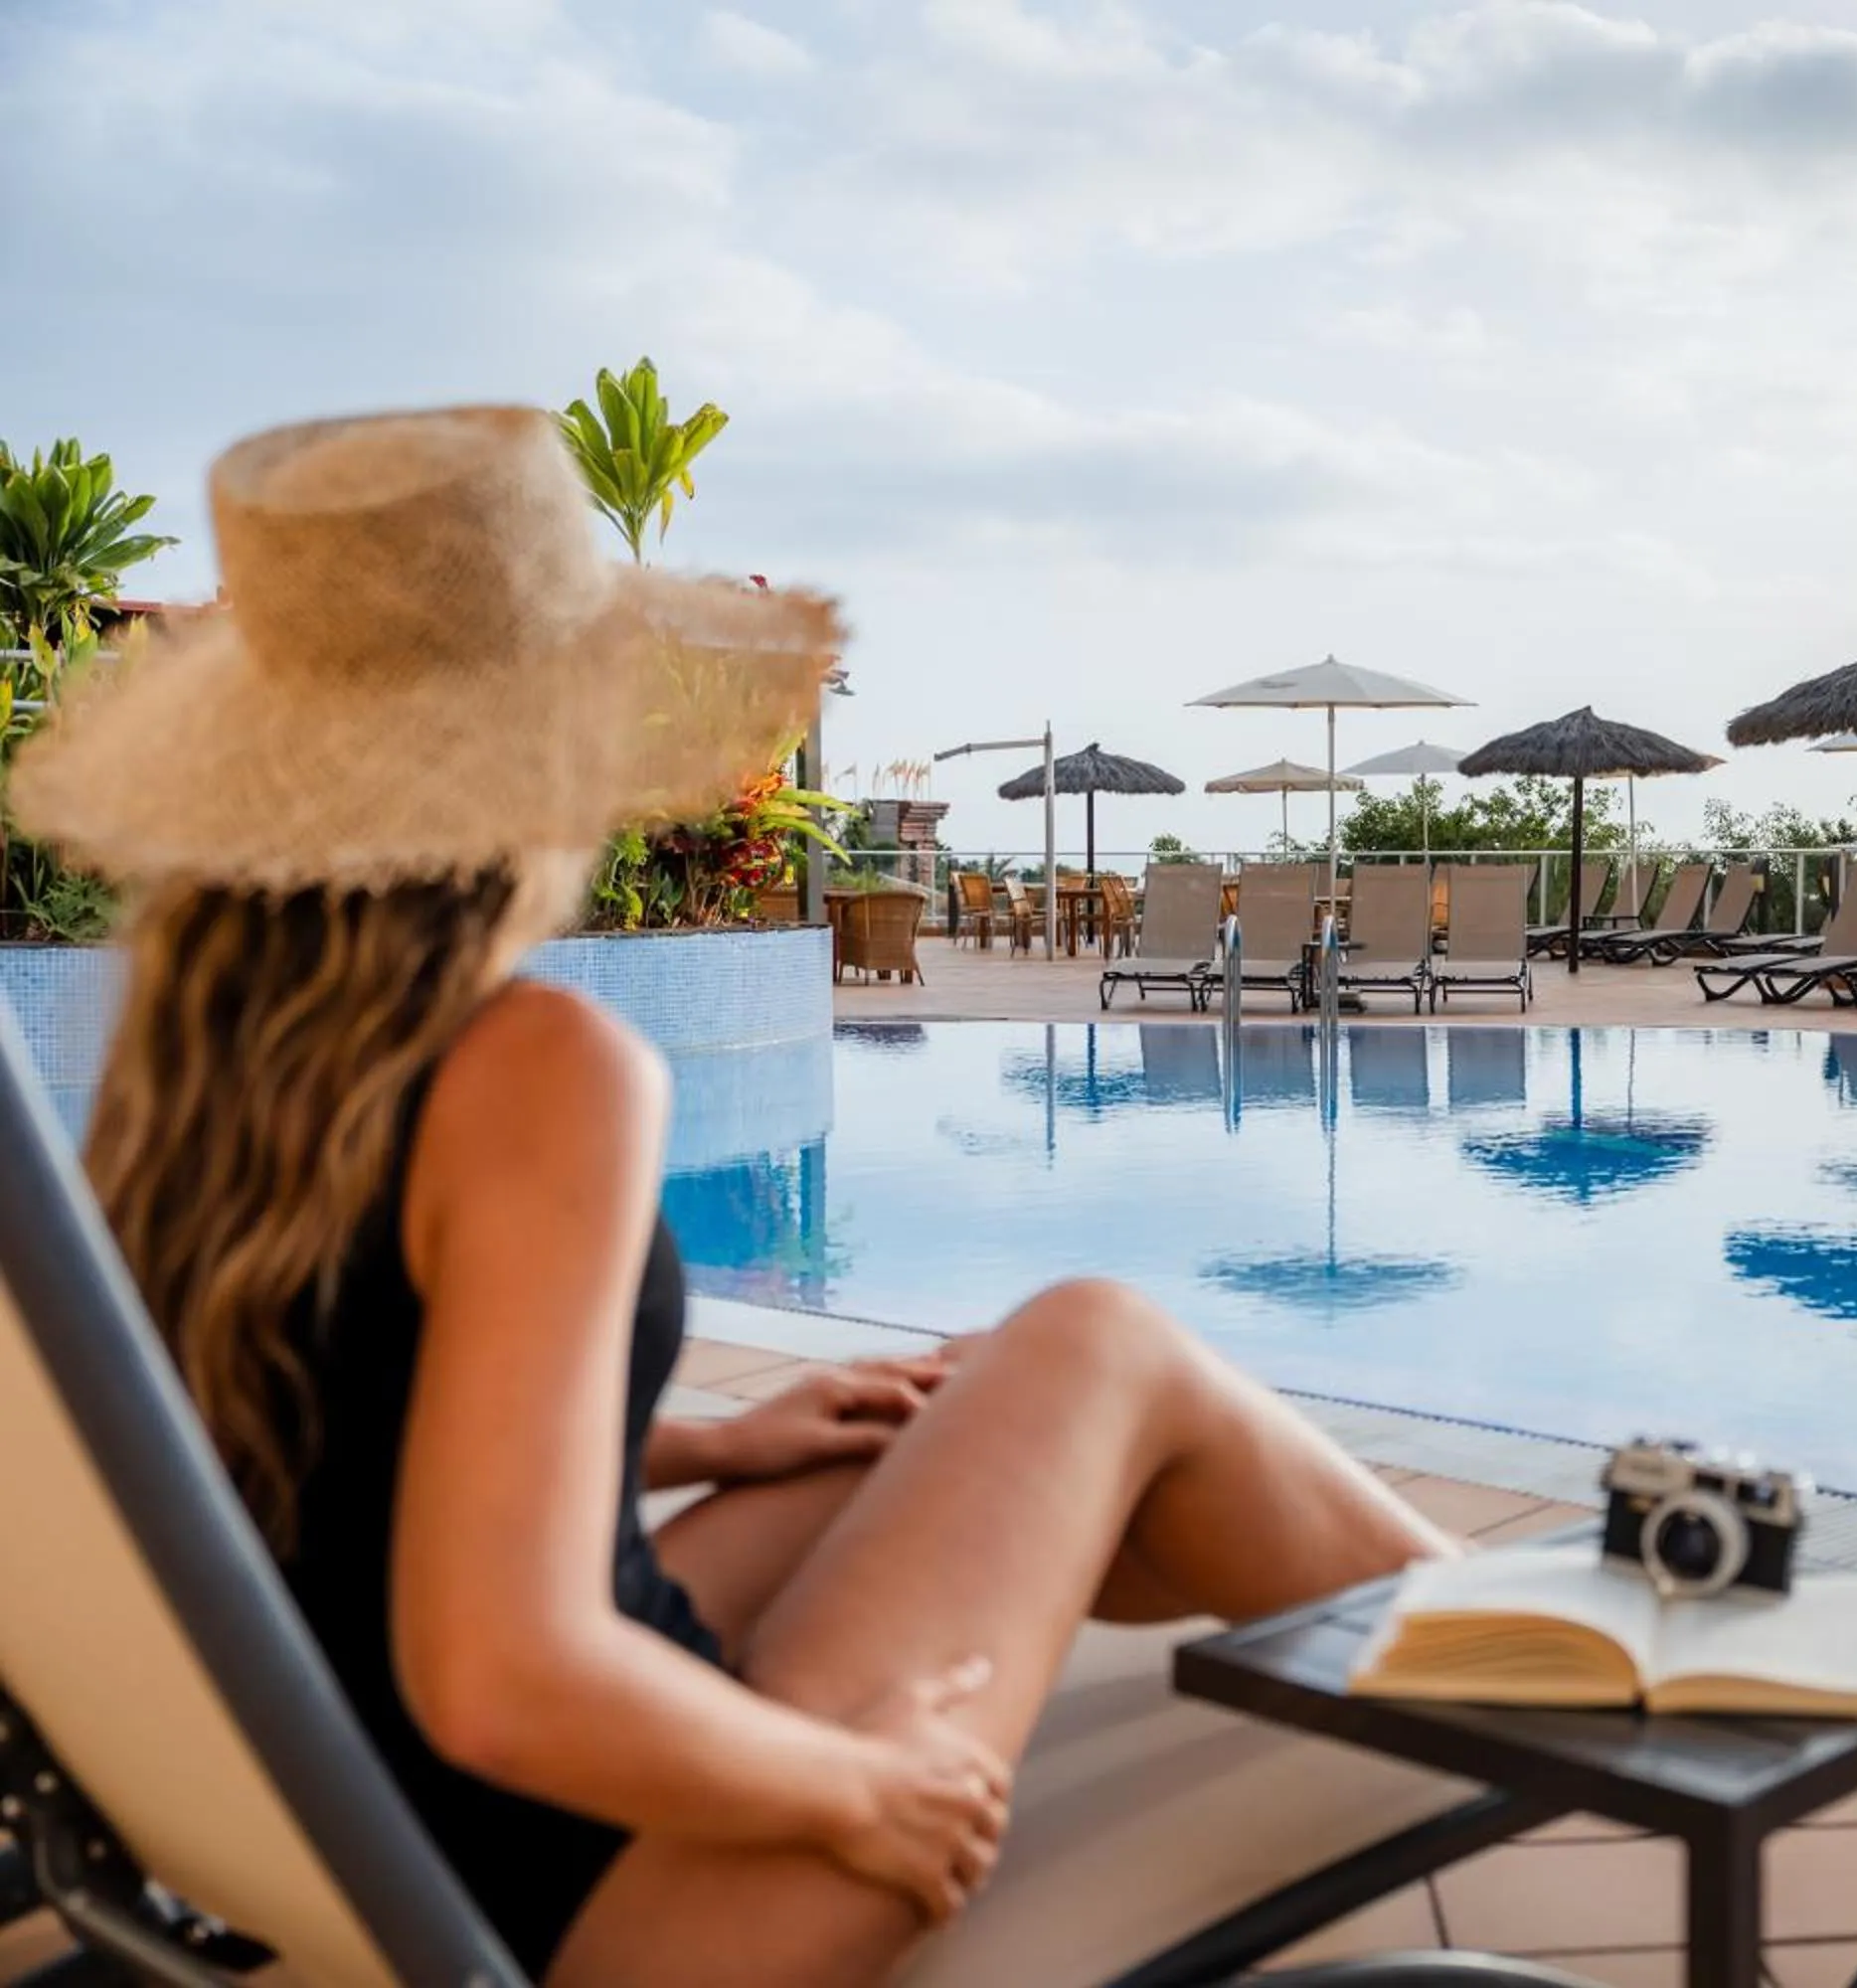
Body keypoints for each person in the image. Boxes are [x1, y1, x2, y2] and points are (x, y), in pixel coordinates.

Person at [16, 407, 1456, 1987]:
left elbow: (309, 1428)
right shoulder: (533, 1068)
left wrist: (706, 1441)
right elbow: (497, 1679)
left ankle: (1504, 1645)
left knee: (941, 1421)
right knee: (1096, 1344)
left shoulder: (191, 1057)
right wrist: (874, 1789)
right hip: (606, 1906)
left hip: (353, 1837)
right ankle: (1557, 1671)